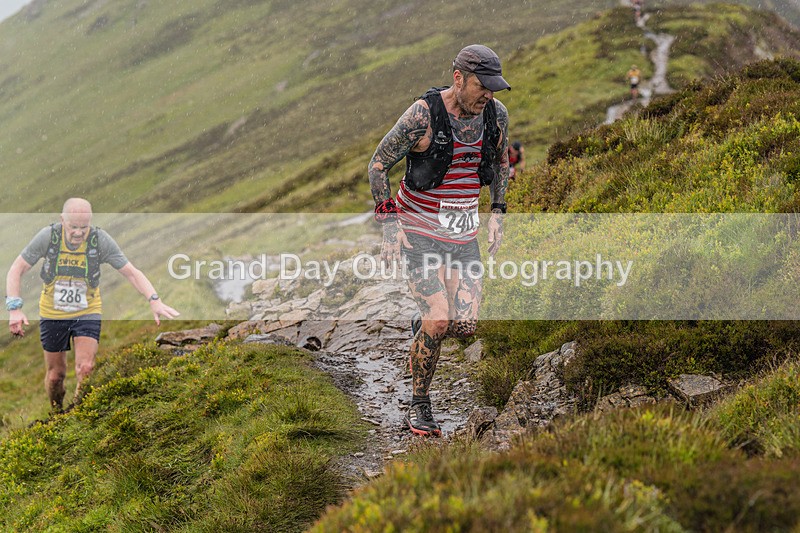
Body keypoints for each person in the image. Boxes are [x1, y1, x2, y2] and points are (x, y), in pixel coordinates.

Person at [368, 44, 510, 436]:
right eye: (483, 86)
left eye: (494, 88)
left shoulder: (495, 115)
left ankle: (423, 327)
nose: (489, 95)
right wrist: (389, 224)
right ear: (459, 78)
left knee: (465, 326)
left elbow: (500, 162)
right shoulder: (423, 115)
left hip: (462, 234)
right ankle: (420, 405)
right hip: (418, 232)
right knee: (438, 318)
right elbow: (378, 164)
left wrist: (497, 211)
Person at [6, 198, 180, 412]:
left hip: (87, 311)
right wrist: (14, 307)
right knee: (55, 376)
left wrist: (154, 300)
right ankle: (57, 412)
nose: (79, 233)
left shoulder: (99, 240)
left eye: (84, 227)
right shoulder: (48, 237)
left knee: (86, 368)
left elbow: (131, 273)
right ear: (62, 220)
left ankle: (76, 412)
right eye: (73, 227)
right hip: (53, 313)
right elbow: (17, 269)